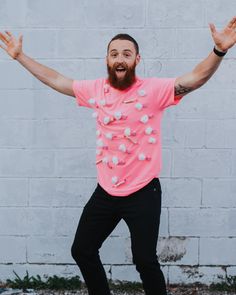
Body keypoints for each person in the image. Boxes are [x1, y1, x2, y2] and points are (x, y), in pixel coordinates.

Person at [0, 17, 236, 295]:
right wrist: (20, 57)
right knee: (82, 250)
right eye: (114, 54)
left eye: (126, 53)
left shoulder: (154, 91)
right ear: (107, 61)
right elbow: (56, 79)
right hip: (106, 191)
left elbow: (195, 79)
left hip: (144, 191)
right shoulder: (96, 90)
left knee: (145, 261)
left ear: (137, 59)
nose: (119, 59)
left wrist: (219, 51)